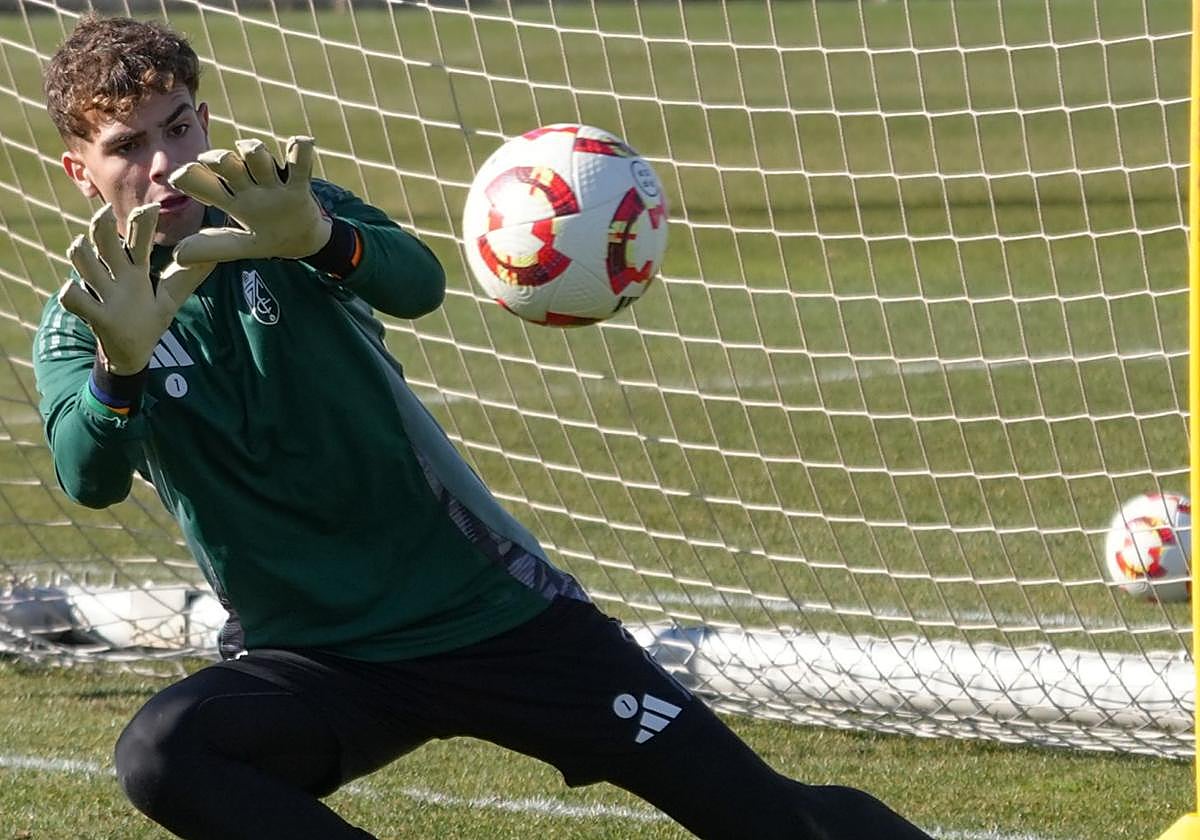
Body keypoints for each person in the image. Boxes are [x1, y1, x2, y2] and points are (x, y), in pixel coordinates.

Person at [33, 15, 936, 840]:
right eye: (128, 146)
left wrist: (315, 235)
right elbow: (90, 478)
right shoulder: (84, 318)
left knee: (779, 825)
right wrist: (122, 366)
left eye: (180, 124)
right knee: (166, 753)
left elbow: (415, 284)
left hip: (491, 616)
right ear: (81, 171)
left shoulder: (282, 208)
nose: (163, 161)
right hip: (314, 657)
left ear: (204, 116)